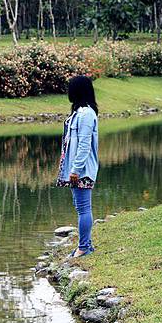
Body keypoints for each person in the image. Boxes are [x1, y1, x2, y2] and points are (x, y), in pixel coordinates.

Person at [56, 75, 99, 258]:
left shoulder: (87, 114)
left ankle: (83, 247)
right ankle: (86, 244)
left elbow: (84, 144)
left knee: (83, 208)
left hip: (81, 170)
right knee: (80, 206)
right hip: (74, 169)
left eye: (71, 88)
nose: (68, 92)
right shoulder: (78, 112)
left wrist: (75, 169)